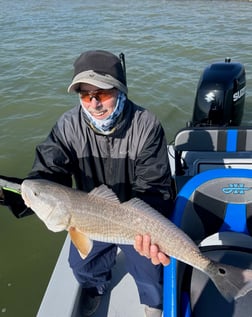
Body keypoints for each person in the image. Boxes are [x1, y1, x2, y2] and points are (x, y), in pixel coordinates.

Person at [0, 50, 173, 317]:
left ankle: (154, 301)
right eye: (85, 94)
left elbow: (155, 188)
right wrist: (12, 194)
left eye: (102, 93)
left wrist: (147, 227)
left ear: (120, 89)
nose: (94, 103)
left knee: (151, 269)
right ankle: (96, 288)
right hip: (88, 215)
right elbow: (47, 174)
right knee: (81, 265)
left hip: (137, 218)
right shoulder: (68, 126)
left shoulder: (146, 125)